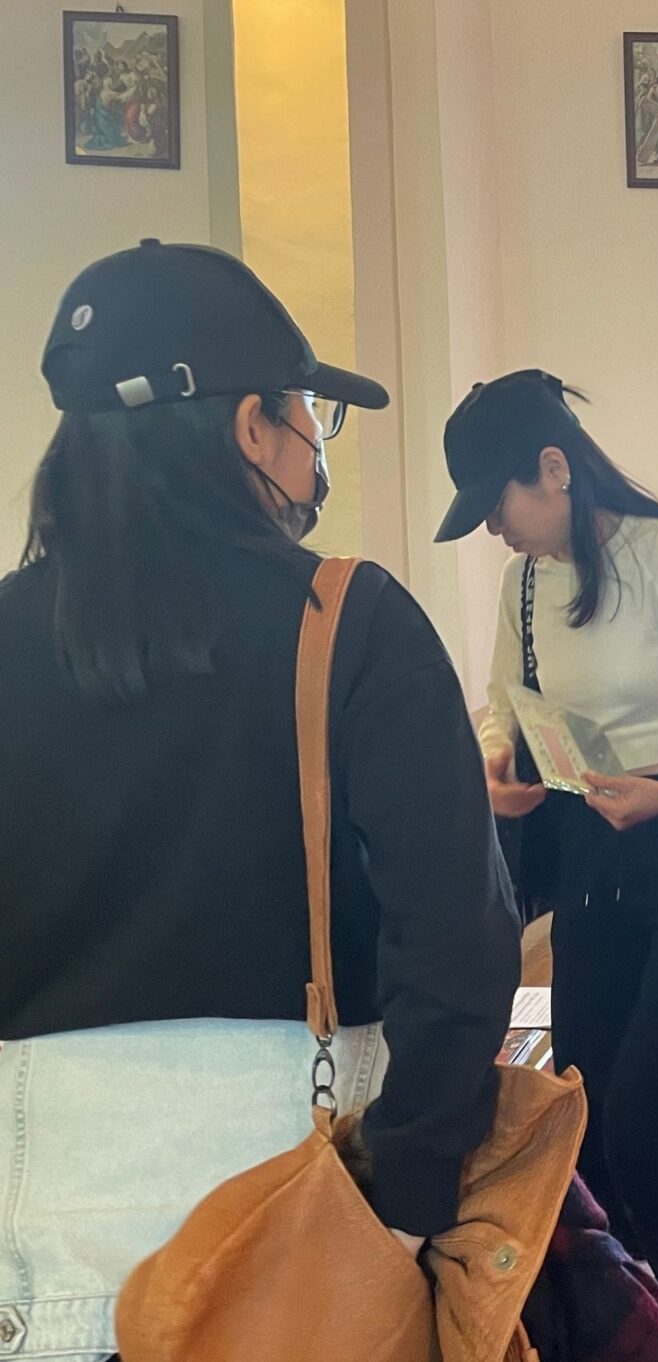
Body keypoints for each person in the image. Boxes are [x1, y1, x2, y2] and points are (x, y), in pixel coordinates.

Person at [0, 239, 518, 1360]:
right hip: (297, 1185)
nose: (312, 452)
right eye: (308, 418)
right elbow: (463, 946)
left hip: (39, 1214)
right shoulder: (352, 623)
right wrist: (406, 1196)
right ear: (250, 428)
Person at [432, 370, 658, 1362]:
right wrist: (494, 758)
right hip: (588, 859)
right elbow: (501, 699)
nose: (495, 530)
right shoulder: (527, 581)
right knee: (590, 1110)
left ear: (555, 468)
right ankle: (637, 1314)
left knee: (656, 1114)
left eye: (499, 503)